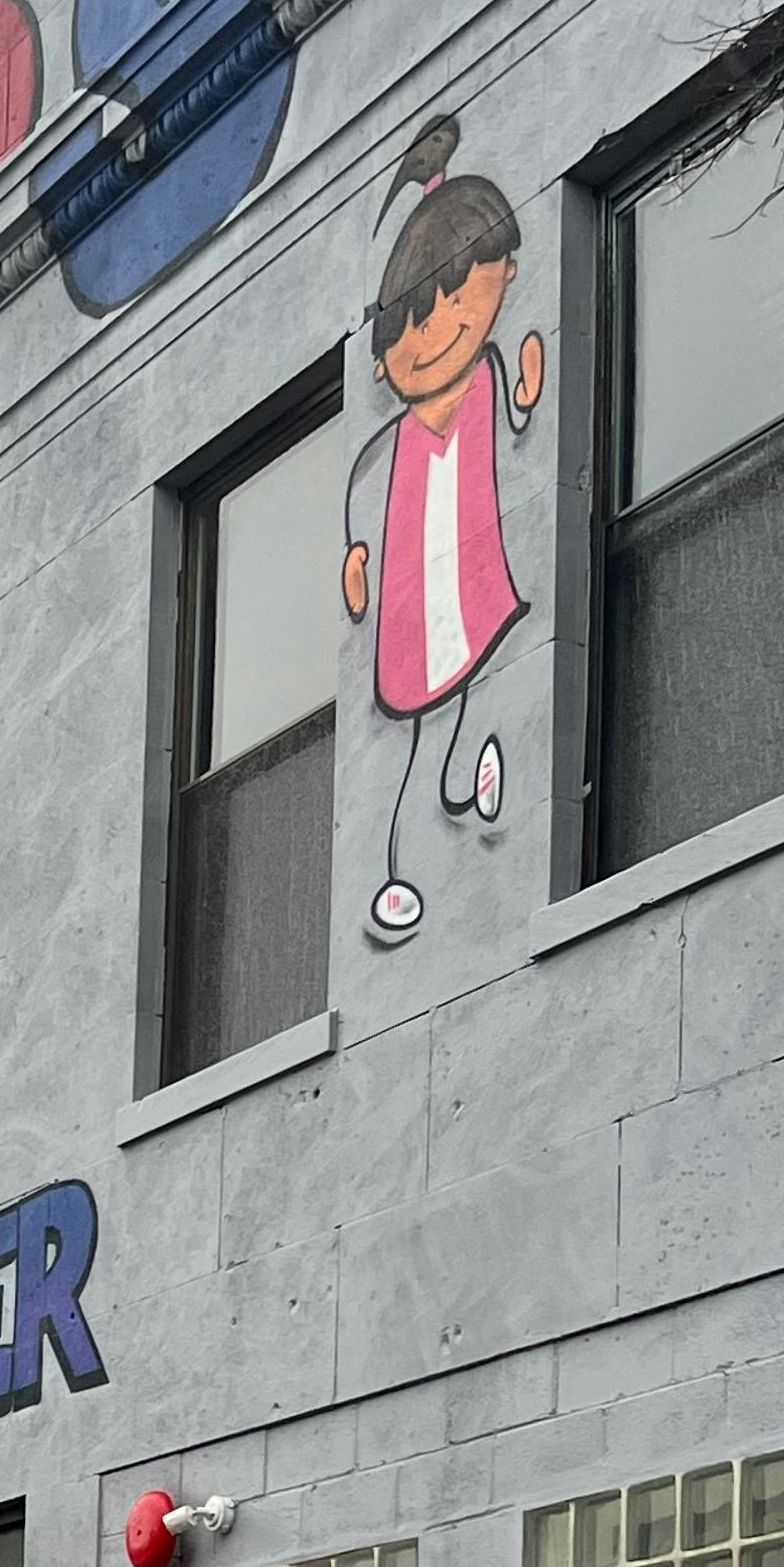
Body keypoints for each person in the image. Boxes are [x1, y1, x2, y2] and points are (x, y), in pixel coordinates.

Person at [341, 111, 545, 945]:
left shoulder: (488, 376)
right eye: (421, 320)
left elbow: (517, 414)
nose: (448, 328)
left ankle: (471, 781)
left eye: (466, 300)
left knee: (468, 693)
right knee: (415, 732)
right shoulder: (384, 447)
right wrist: (357, 567)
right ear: (388, 343)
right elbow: (360, 509)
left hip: (472, 584)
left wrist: (529, 392)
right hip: (411, 610)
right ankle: (394, 869)